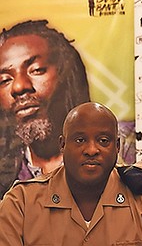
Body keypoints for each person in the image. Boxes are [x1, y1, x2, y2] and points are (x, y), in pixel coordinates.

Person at [0, 102, 142, 245]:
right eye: (80, 140)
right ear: (62, 145)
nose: (91, 150)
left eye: (103, 140)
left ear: (117, 147)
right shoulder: (22, 202)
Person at [0, 20, 90, 196]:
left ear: (67, 74)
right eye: (4, 80)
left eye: (36, 70)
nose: (18, 87)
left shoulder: (121, 146)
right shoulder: (5, 176)